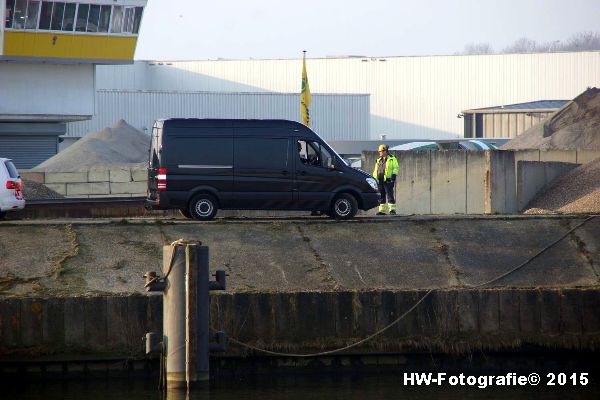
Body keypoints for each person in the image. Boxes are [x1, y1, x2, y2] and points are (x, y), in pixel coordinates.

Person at [372, 144, 399, 215]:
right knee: (381, 196)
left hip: (388, 180)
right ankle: (382, 211)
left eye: (381, 151)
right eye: (379, 151)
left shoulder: (392, 158)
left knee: (390, 195)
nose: (379, 152)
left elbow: (396, 168)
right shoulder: (378, 160)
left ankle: (392, 210)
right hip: (380, 180)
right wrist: (375, 179)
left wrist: (394, 175)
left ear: (385, 151)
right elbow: (375, 171)